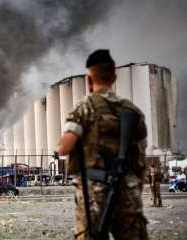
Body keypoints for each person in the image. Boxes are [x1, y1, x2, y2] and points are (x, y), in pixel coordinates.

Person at [56, 49, 148, 239]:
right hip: (127, 188)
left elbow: (64, 147)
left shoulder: (85, 107)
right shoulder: (133, 110)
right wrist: (135, 188)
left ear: (89, 80)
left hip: (93, 191)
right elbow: (141, 159)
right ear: (114, 76)